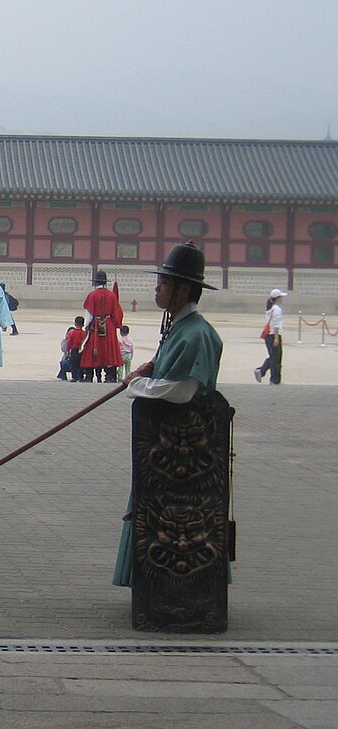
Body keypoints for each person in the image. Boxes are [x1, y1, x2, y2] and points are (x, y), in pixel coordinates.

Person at [114, 240, 224, 589]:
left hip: (185, 454)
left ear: (183, 289)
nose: (157, 288)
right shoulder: (179, 328)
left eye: (163, 282)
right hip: (166, 450)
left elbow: (181, 390)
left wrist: (137, 387)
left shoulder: (197, 333)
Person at [82, 270, 125, 383]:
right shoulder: (112, 295)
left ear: (95, 282)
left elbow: (89, 314)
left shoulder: (92, 295)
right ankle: (110, 376)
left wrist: (86, 326)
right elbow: (116, 312)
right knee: (109, 349)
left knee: (92, 348)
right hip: (109, 324)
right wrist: (117, 324)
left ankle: (89, 376)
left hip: (96, 325)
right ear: (105, 282)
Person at [255, 288, 286, 384]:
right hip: (273, 335)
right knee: (276, 359)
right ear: (277, 298)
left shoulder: (270, 309)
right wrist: (276, 338)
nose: (282, 299)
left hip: (269, 336)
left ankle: (264, 372)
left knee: (274, 357)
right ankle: (272, 378)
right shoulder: (276, 310)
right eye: (281, 297)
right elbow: (275, 325)